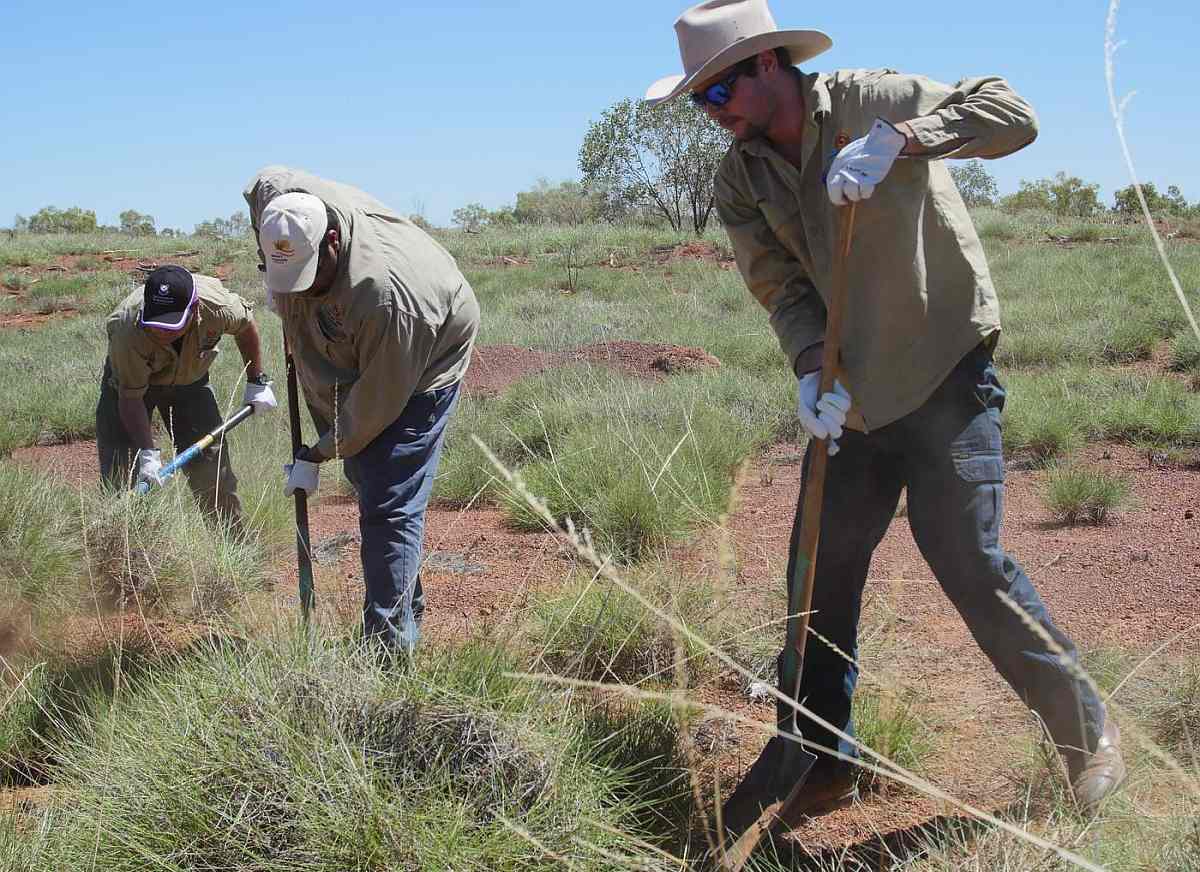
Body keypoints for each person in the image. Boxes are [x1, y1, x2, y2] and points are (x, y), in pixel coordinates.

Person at [646, 0, 1124, 833]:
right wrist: (807, 370)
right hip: (852, 398)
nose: (711, 116)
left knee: (970, 565)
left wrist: (903, 141)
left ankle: (1089, 739)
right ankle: (823, 760)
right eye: (700, 103)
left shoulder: (870, 101)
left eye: (717, 95)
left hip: (943, 371)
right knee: (817, 578)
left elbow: (1013, 113)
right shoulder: (740, 176)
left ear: (766, 66)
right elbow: (781, 287)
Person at [243, 166, 480, 655]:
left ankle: (387, 652)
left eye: (310, 276)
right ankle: (403, 609)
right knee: (366, 475)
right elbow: (263, 183)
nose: (301, 290)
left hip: (429, 349)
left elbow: (374, 406)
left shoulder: (389, 297)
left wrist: (319, 451)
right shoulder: (281, 205)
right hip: (357, 336)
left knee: (388, 496)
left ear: (332, 241)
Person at [97, 265, 276, 525]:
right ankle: (124, 551)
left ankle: (233, 548)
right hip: (130, 388)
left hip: (190, 381)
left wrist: (256, 381)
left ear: (193, 310)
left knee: (213, 470)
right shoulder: (127, 328)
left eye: (171, 325)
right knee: (122, 475)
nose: (161, 332)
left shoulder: (218, 307)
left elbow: (246, 325)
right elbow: (131, 397)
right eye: (156, 323)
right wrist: (148, 454)